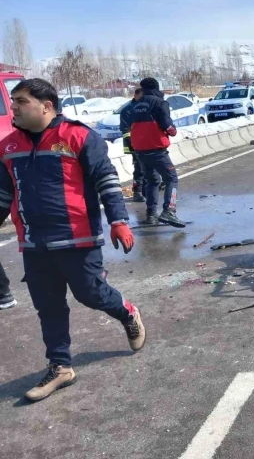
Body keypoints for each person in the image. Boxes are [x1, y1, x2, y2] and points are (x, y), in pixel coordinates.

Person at [0, 78, 143, 402]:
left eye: (21, 101)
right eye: (13, 101)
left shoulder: (79, 137)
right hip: (34, 244)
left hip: (78, 239)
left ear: (46, 105)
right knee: (48, 306)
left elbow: (106, 180)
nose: (14, 108)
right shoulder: (8, 147)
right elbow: (3, 193)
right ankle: (61, 366)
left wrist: (118, 221)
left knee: (91, 294)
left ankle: (128, 313)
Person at [130, 77, 185, 227]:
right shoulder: (159, 103)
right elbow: (167, 125)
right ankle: (169, 211)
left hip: (140, 151)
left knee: (152, 181)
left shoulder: (136, 105)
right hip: (156, 149)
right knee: (171, 178)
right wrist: (172, 131)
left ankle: (151, 215)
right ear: (156, 87)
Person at [120, 88, 154, 202]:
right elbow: (125, 130)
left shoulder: (143, 107)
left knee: (148, 166)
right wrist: (133, 143)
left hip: (145, 143)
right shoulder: (128, 110)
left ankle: (146, 188)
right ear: (135, 95)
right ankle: (137, 192)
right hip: (134, 144)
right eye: (140, 96)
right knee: (139, 168)